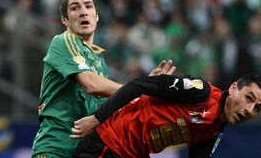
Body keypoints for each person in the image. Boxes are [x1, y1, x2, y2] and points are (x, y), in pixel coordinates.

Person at [31, 0, 176, 157]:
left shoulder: (98, 60)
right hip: (55, 150)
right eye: (75, 8)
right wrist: (139, 88)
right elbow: (91, 84)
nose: (83, 12)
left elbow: (110, 108)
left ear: (97, 16)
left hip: (85, 152)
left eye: (88, 6)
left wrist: (147, 88)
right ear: (65, 20)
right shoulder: (63, 41)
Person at [71, 74, 261, 157]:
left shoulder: (214, 130)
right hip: (109, 143)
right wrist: (97, 118)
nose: (249, 109)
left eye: (257, 108)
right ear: (234, 88)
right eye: (249, 98)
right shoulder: (201, 92)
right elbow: (139, 85)